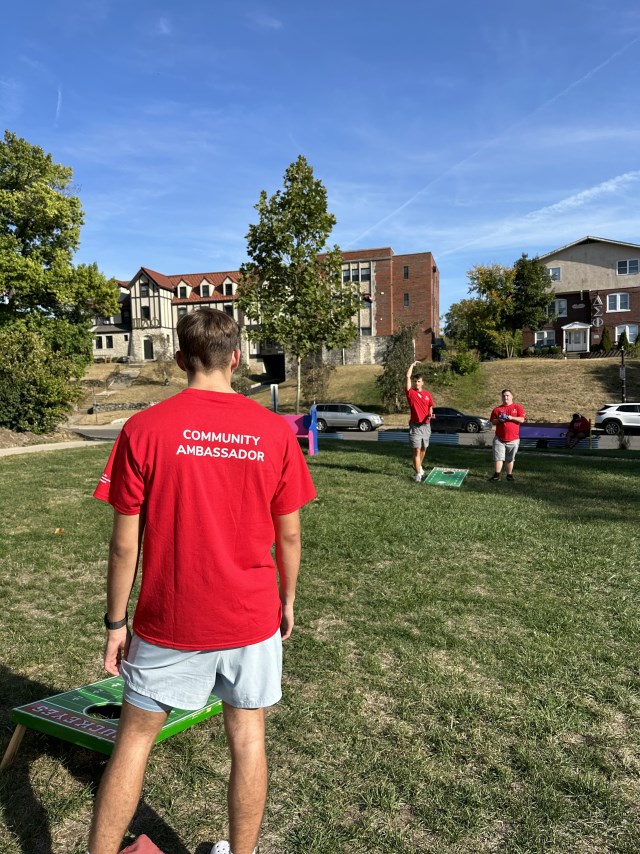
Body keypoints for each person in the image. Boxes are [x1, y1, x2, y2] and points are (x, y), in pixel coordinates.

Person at [87, 308, 316, 854]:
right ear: (236, 358)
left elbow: (124, 545)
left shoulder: (143, 428)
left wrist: (116, 623)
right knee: (248, 740)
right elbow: (289, 535)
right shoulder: (274, 432)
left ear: (178, 359)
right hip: (251, 615)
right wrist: (287, 600)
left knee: (134, 741)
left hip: (169, 617)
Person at [405, 360, 435, 483]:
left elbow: (430, 407)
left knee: (424, 448)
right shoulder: (410, 393)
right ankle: (418, 474)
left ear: (422, 382)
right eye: (415, 381)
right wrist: (412, 365)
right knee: (416, 449)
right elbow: (407, 376)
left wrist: (430, 414)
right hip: (415, 426)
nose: (416, 383)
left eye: (418, 381)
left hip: (426, 425)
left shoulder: (427, 394)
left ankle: (418, 466)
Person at [489, 389, 526, 482]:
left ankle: (509, 475)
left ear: (512, 396)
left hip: (513, 438)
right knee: (498, 457)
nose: (505, 397)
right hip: (499, 438)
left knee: (510, 458)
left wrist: (511, 418)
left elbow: (522, 419)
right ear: (501, 397)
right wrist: (499, 420)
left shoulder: (517, 407)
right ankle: (497, 475)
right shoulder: (497, 409)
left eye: (507, 395)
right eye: (503, 396)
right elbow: (493, 421)